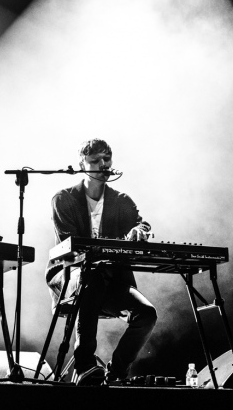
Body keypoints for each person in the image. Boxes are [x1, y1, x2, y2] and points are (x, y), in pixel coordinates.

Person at [46, 138, 157, 386]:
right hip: (71, 276)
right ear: (81, 164)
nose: (103, 165)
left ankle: (116, 372)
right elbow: (72, 245)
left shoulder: (121, 200)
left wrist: (140, 230)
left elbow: (142, 223)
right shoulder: (63, 199)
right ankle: (84, 365)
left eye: (107, 159)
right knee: (91, 277)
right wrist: (113, 244)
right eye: (95, 161)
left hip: (111, 280)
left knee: (146, 314)